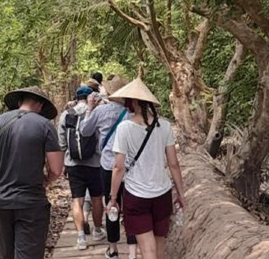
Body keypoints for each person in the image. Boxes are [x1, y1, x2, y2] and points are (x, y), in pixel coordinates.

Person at [0, 86, 64, 259]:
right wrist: (45, 180)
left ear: (19, 101)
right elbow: (56, 169)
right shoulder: (45, 126)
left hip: (1, 201)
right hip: (30, 202)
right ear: (40, 105)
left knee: (8, 253)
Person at [107, 79, 186, 259]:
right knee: (159, 249)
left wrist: (113, 198)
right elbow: (173, 163)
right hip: (162, 193)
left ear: (132, 102)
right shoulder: (164, 126)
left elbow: (118, 167)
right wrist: (181, 193)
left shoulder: (124, 128)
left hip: (136, 195)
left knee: (148, 251)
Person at [80, 75, 138, 259]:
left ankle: (113, 248)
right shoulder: (133, 113)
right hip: (129, 166)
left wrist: (90, 108)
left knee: (111, 205)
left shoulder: (101, 111)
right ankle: (132, 250)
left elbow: (85, 131)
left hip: (107, 165)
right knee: (129, 206)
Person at [58, 86, 106, 250]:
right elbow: (100, 136)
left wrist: (64, 162)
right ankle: (98, 230)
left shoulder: (67, 114)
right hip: (94, 163)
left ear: (76, 97)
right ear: (90, 98)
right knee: (97, 198)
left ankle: (80, 238)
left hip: (73, 164)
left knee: (76, 200)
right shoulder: (96, 112)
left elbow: (62, 142)